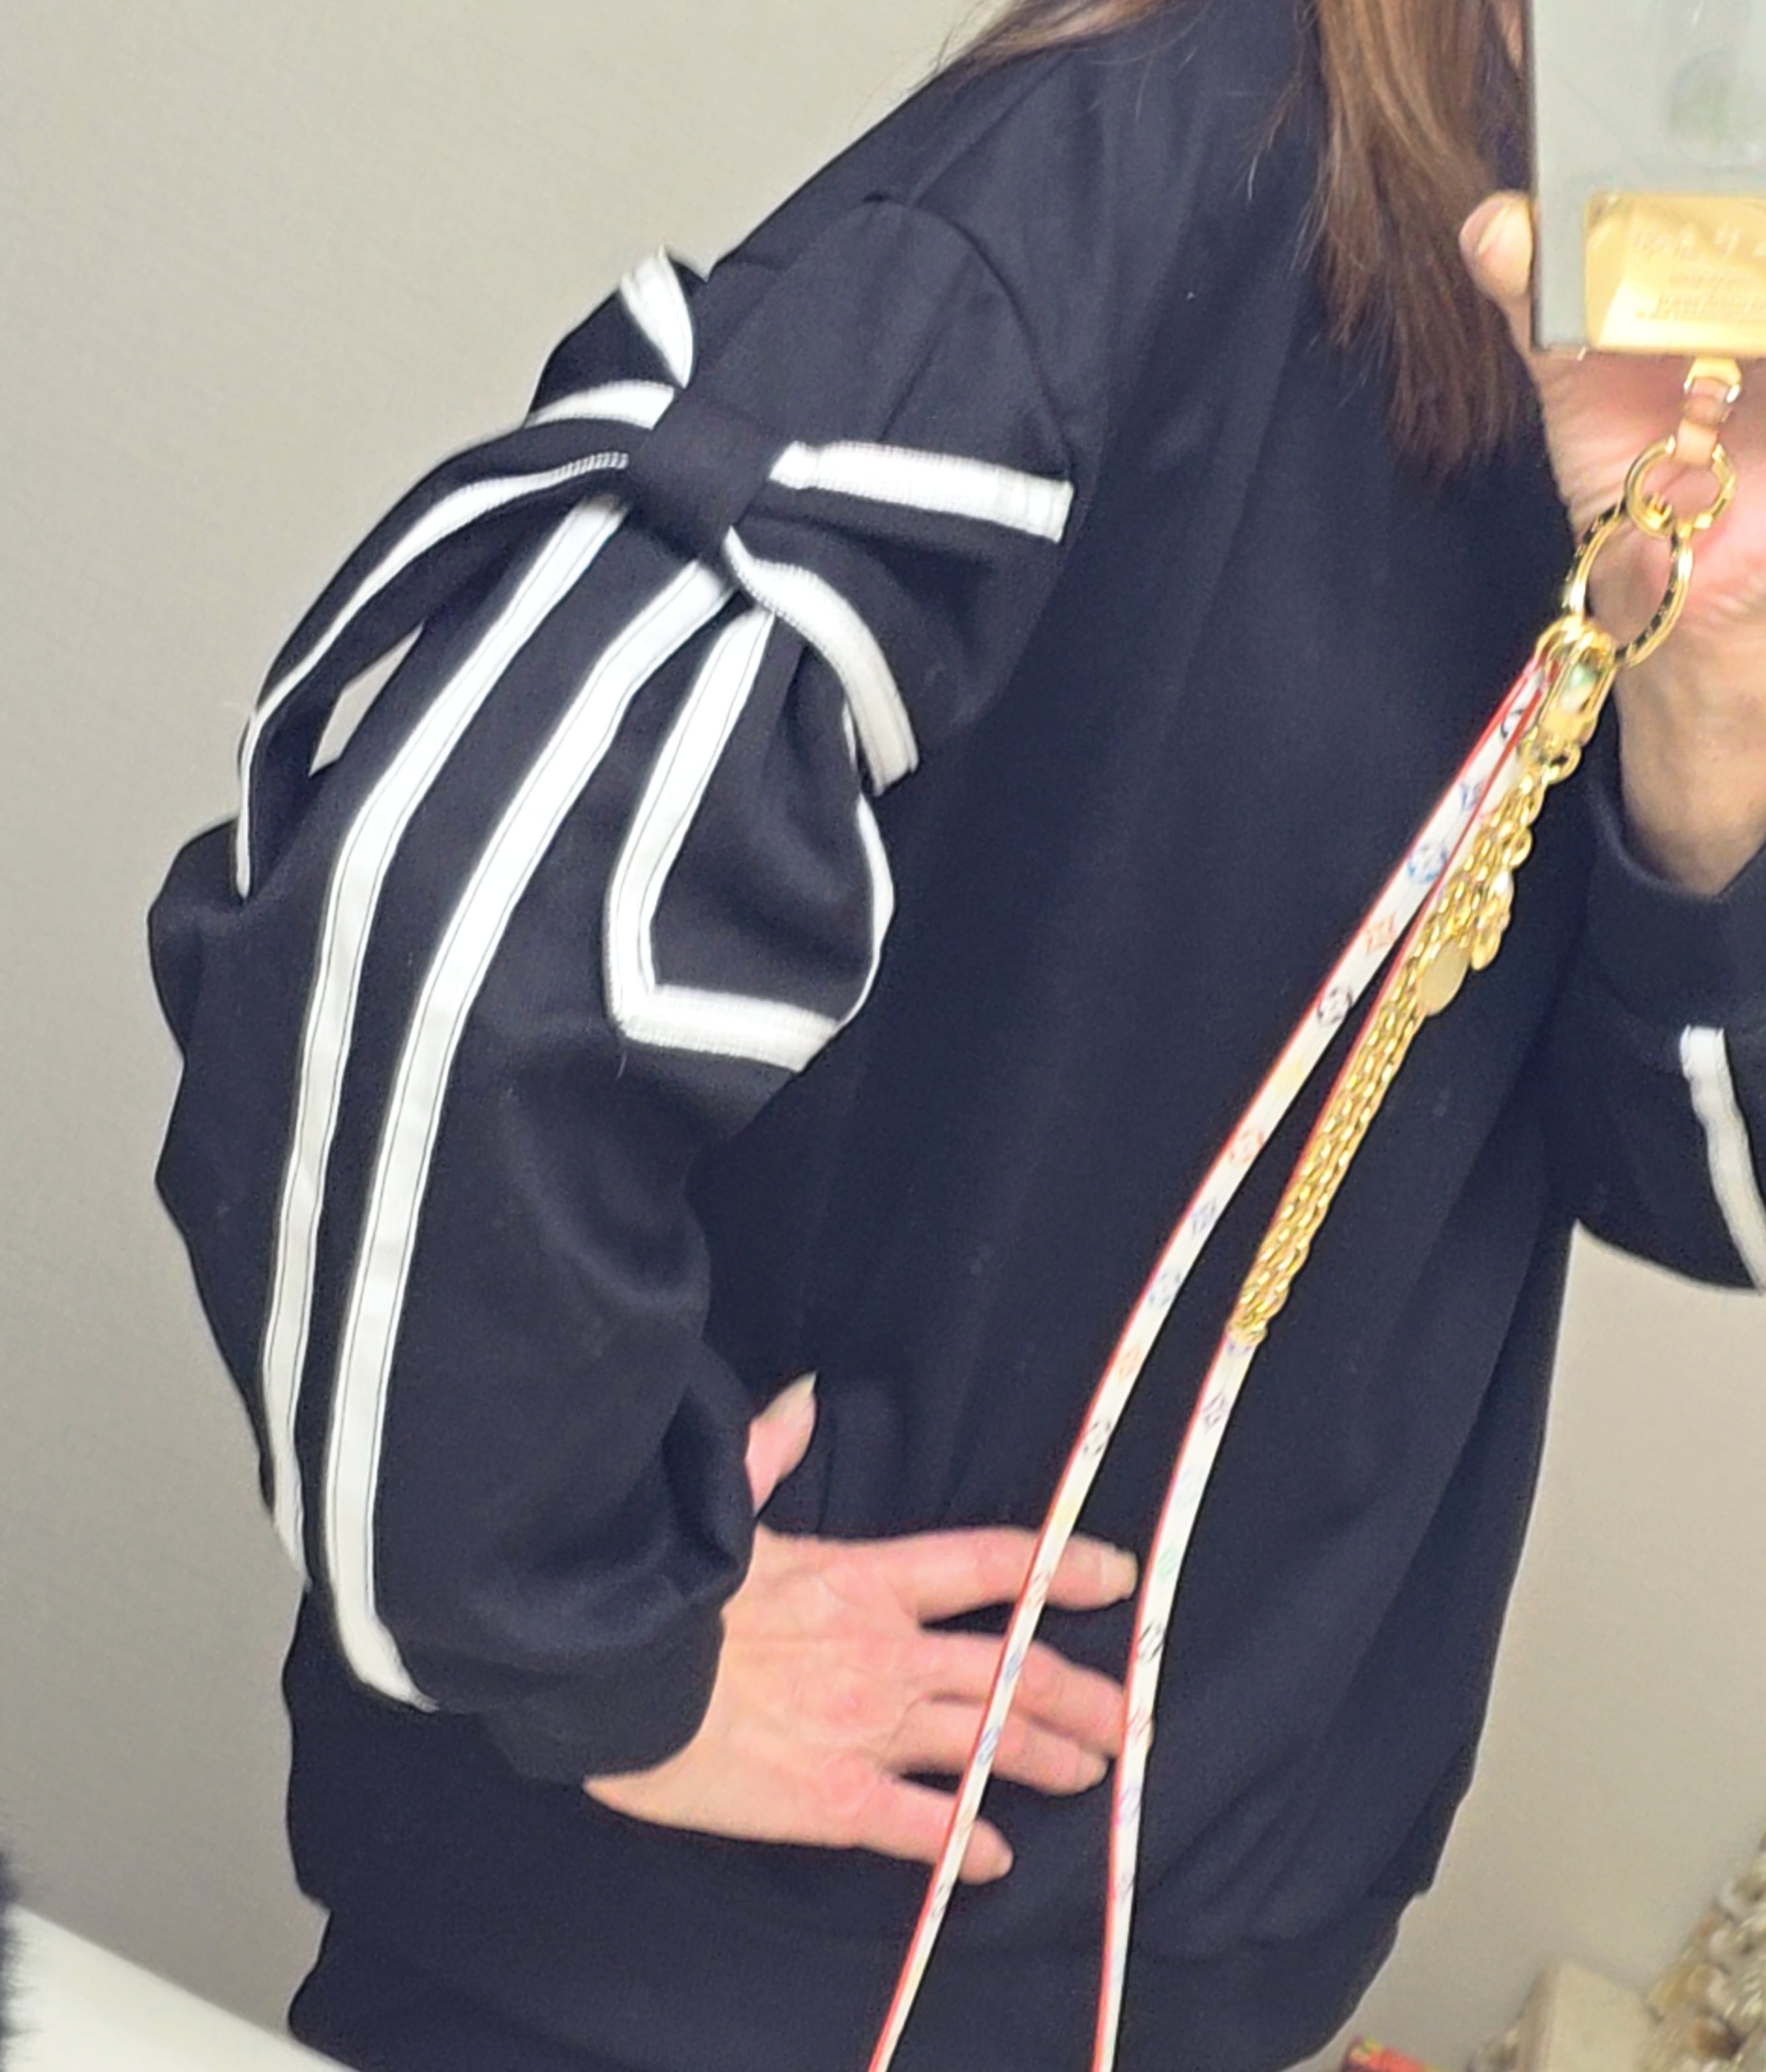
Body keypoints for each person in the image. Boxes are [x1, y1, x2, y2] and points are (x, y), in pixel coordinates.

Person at [148, 0, 1766, 2067]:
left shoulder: (1687, 388)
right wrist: (594, 1638)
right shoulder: (1129, 169)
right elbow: (437, 922)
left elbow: (1703, 1179)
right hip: (673, 1977)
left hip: (1182, 1987)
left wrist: (1711, 683)